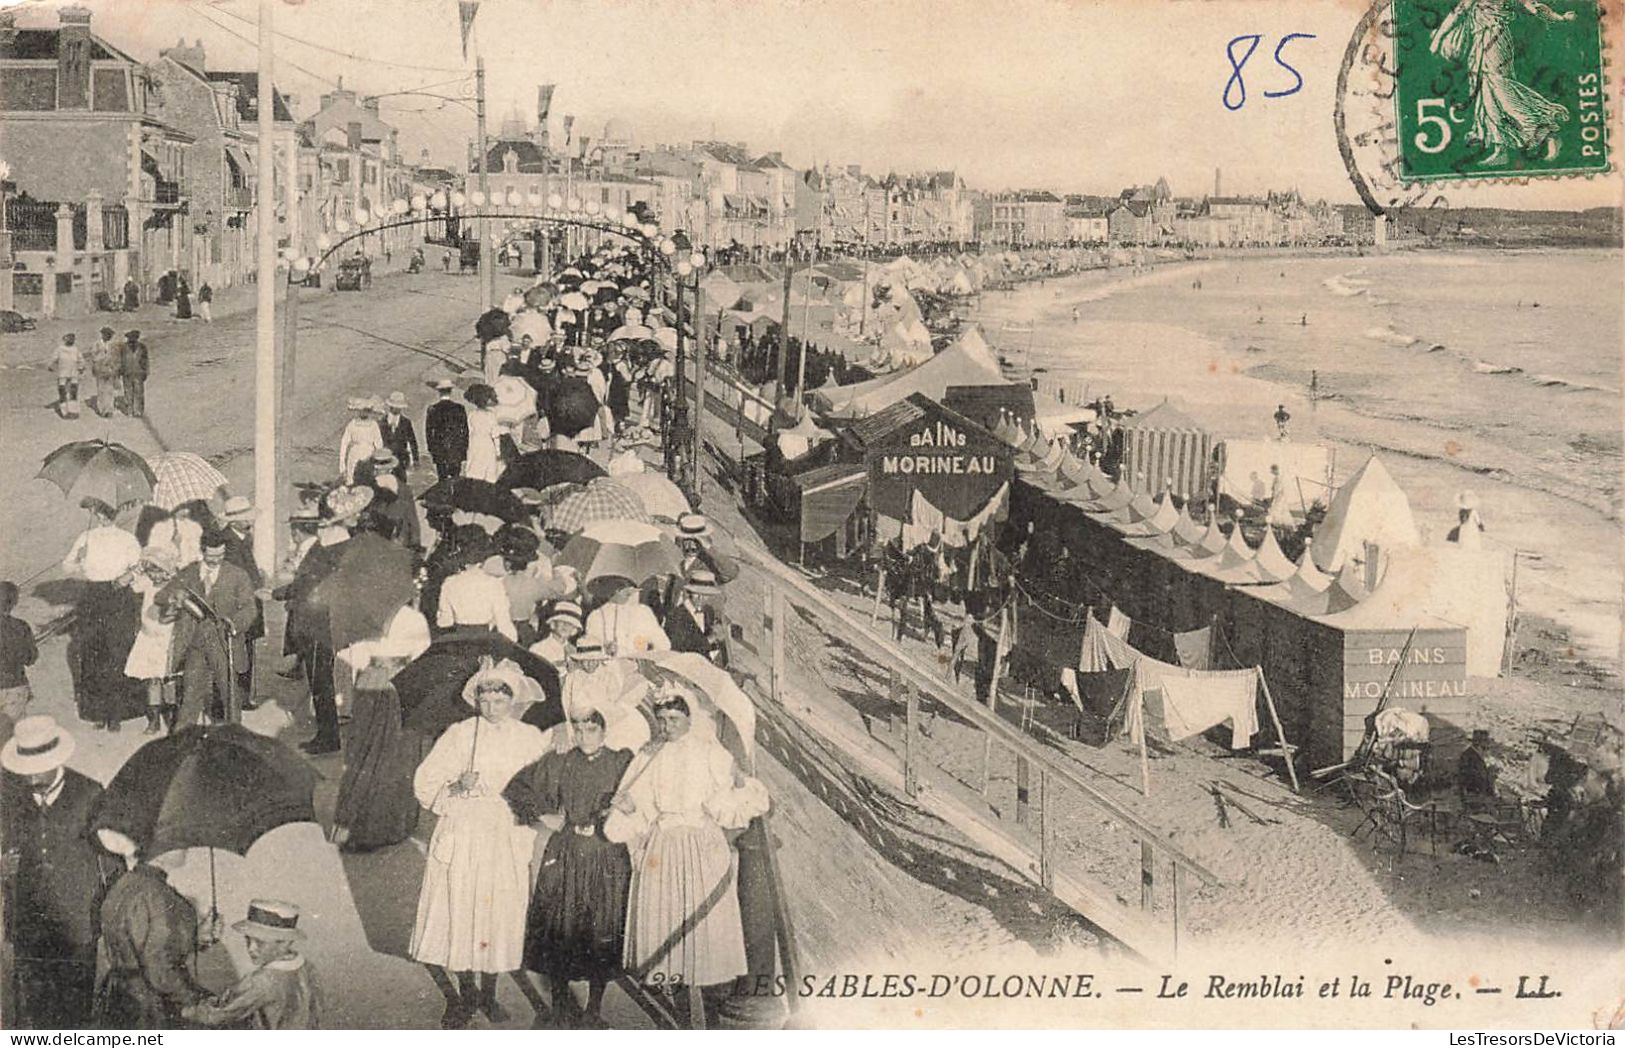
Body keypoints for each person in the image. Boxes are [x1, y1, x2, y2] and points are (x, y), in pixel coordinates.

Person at [409, 659, 550, 1028]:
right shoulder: (459, 734)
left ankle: (489, 992)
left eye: (499, 701)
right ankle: (464, 993)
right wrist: (457, 786)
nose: (491, 709)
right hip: (464, 826)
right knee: (461, 906)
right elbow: (424, 782)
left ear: (512, 700)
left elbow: (542, 787)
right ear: (476, 700)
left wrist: (525, 804)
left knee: (495, 911)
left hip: (503, 830)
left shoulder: (529, 738)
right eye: (484, 701)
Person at [604, 687, 769, 995]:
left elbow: (736, 797)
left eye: (675, 719)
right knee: (666, 907)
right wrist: (629, 807)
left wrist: (738, 782)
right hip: (663, 841)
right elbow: (639, 804)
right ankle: (668, 974)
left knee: (697, 908)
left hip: (700, 841)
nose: (668, 726)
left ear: (689, 718)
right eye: (663, 719)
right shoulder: (648, 754)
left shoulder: (710, 752)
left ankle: (700, 976)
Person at [505, 700, 637, 1027]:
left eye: (591, 728)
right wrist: (543, 814)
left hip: (605, 853)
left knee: (601, 926)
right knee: (558, 924)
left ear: (604, 730)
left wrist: (627, 806)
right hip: (566, 851)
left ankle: (593, 1010)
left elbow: (648, 797)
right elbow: (518, 788)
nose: (584, 735)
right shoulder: (561, 760)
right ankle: (561, 1006)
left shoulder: (624, 763)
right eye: (578, 728)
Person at [1, 717, 116, 1029]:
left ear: (57, 761)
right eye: (24, 769)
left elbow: (112, 861)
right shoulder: (11, 798)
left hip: (77, 926)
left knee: (72, 1011)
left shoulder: (89, 794)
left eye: (38, 767)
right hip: (28, 924)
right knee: (28, 1012)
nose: (30, 777)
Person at [332, 601, 431, 853]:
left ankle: (363, 823)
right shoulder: (414, 618)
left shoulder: (364, 615)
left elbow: (351, 656)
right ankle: (389, 823)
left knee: (368, 751)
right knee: (397, 751)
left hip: (373, 680)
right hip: (403, 680)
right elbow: (423, 655)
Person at [93, 833, 207, 1028]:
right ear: (159, 850)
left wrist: (200, 936)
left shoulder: (124, 883)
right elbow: (160, 970)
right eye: (179, 842)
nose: (186, 848)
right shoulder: (157, 894)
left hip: (119, 998)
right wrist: (198, 1000)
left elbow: (137, 940)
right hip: (150, 1010)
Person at [163, 528, 259, 728]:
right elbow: (163, 594)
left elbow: (249, 609)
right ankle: (183, 738)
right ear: (202, 550)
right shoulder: (189, 572)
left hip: (225, 643)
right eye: (211, 556)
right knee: (191, 694)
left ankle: (234, 738)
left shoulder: (237, 575)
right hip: (195, 643)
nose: (216, 560)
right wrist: (175, 596)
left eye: (221, 555)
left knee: (230, 695)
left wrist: (234, 623)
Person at [62, 499, 143, 731]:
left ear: (98, 513)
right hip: (105, 596)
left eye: (98, 511)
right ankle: (111, 714)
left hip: (108, 595)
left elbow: (67, 568)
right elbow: (139, 566)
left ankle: (105, 713)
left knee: (99, 651)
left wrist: (79, 563)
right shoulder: (95, 538)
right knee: (112, 651)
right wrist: (129, 576)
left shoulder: (93, 537)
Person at [182, 901, 322, 1029]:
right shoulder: (306, 967)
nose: (251, 948)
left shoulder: (261, 981)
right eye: (248, 940)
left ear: (284, 942)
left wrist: (185, 1010)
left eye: (260, 943)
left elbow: (217, 1015)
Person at [123, 547, 182, 735]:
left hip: (168, 639)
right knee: (152, 681)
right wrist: (138, 569)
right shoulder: (146, 584)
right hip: (148, 638)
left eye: (159, 571)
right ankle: (154, 720)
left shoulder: (175, 587)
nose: (155, 576)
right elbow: (122, 583)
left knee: (169, 681)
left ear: (168, 571)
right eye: (152, 571)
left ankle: (173, 719)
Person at [437, 551, 517, 641]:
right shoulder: (494, 583)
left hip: (459, 640)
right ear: (483, 561)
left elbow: (445, 622)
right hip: (484, 639)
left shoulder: (449, 582)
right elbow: (504, 623)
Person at [584, 582, 669, 659]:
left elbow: (663, 644)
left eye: (630, 585)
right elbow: (589, 652)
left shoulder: (643, 612)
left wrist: (647, 658)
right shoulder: (596, 616)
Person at [0, 581, 37, 745]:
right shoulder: (21, 626)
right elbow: (31, 658)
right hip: (15, 687)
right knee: (14, 734)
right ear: (14, 603)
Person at [665, 569, 728, 666]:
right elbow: (678, 652)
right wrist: (710, 639)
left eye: (705, 594)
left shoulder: (708, 611)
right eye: (696, 593)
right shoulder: (675, 616)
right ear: (689, 592)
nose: (700, 598)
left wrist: (719, 635)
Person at [426, 379, 470, 482]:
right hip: (456, 449)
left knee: (442, 480)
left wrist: (432, 450)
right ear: (451, 391)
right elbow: (465, 431)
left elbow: (428, 433)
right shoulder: (459, 408)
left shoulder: (433, 409)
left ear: (439, 392)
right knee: (455, 479)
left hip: (439, 450)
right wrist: (463, 449)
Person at [462, 384, 504, 483]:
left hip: (474, 444)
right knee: (489, 470)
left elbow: (469, 430)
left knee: (474, 468)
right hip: (487, 444)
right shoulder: (491, 416)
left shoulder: (472, 415)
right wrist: (498, 451)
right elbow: (495, 434)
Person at [339, 397, 386, 484]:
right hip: (354, 456)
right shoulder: (352, 424)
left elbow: (379, 444)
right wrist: (342, 464)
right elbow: (344, 443)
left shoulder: (373, 425)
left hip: (369, 455)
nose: (364, 413)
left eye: (366, 410)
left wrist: (380, 462)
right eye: (361, 410)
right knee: (352, 479)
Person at [529, 600, 583, 674]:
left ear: (574, 630)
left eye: (570, 623)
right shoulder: (538, 649)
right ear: (553, 624)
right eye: (562, 621)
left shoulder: (575, 652)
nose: (566, 625)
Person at [378, 392, 420, 482]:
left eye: (399, 407)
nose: (398, 409)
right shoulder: (382, 422)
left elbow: (412, 441)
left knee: (401, 484)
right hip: (385, 460)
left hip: (401, 460)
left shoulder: (406, 422)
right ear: (390, 406)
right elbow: (377, 441)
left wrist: (416, 459)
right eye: (395, 406)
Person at [89, 327, 122, 418]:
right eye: (107, 334)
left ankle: (109, 409)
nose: (109, 336)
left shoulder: (113, 345)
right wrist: (103, 358)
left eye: (110, 335)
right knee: (101, 389)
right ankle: (102, 409)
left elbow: (117, 357)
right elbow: (93, 357)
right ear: (102, 334)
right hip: (100, 369)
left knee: (110, 390)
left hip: (111, 370)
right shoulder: (97, 344)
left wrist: (116, 368)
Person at [53, 333, 85, 419]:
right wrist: (53, 367)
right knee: (63, 393)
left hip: (73, 374)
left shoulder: (76, 350)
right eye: (69, 339)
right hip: (62, 375)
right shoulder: (59, 349)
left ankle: (73, 411)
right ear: (65, 339)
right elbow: (53, 360)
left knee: (73, 393)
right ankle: (64, 412)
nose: (71, 340)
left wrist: (81, 368)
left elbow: (81, 360)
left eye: (72, 339)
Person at [120, 330, 149, 418]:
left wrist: (145, 371)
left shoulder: (142, 347)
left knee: (139, 392)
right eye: (130, 339)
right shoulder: (123, 348)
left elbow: (145, 360)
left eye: (134, 338)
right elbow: (119, 360)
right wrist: (119, 370)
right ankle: (129, 410)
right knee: (128, 392)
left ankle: (138, 410)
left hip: (138, 372)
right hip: (127, 372)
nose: (132, 340)